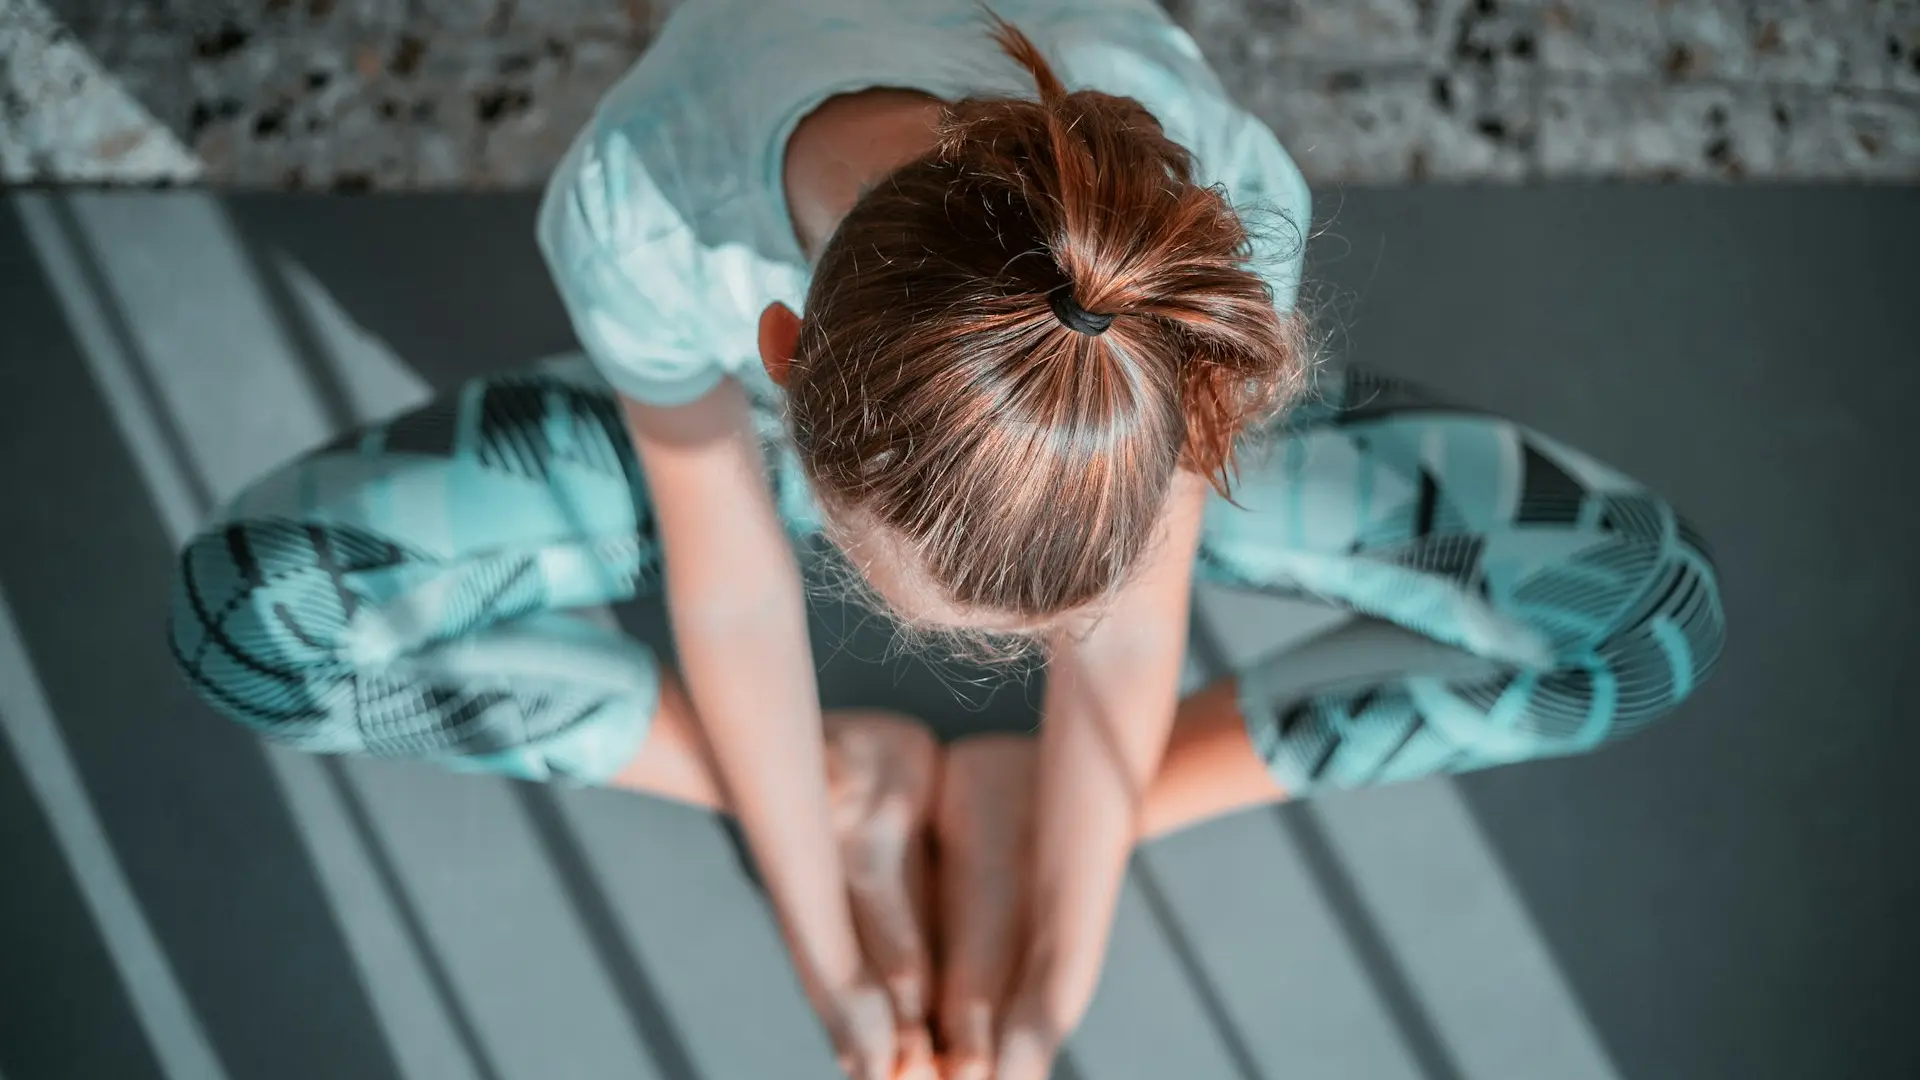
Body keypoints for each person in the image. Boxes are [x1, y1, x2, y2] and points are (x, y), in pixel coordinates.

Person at [166, 2, 1726, 1078]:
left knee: (1644, 617)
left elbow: (1140, 612)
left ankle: (1034, 800)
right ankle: (839, 780)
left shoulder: (1191, 227)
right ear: (774, 348)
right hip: (783, 432)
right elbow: (736, 590)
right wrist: (829, 958)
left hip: (1097, 412)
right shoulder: (644, 205)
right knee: (249, 623)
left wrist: (1059, 965)